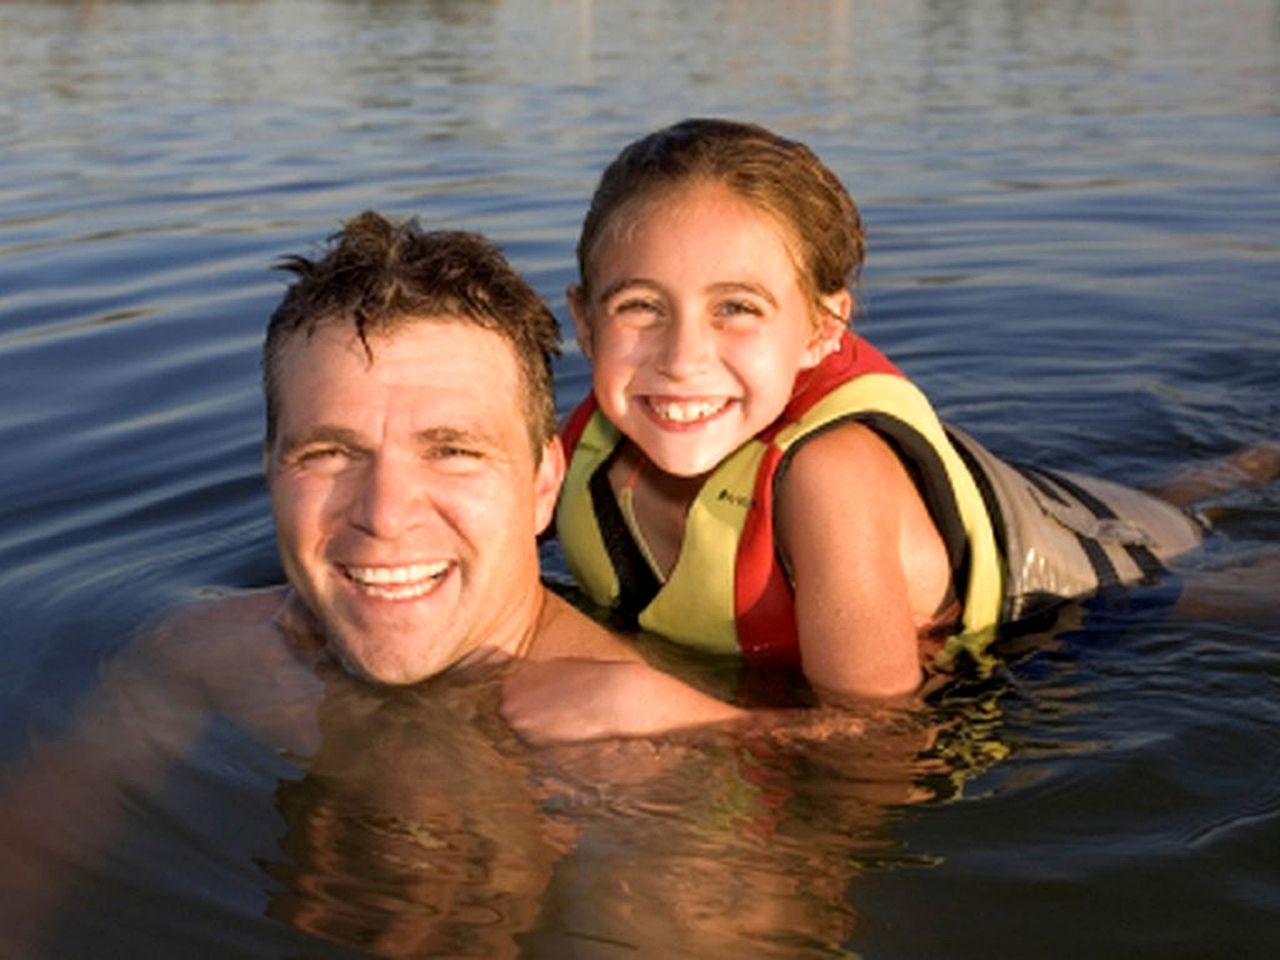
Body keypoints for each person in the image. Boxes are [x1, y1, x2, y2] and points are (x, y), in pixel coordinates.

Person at [0, 212, 750, 956]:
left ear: (543, 483)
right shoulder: (203, 658)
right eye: (328, 453)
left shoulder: (644, 747)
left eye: (453, 450)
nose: (385, 516)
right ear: (270, 469)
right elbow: (28, 858)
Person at [548, 117, 1271, 716]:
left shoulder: (832, 475)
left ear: (823, 330)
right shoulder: (574, 448)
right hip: (1023, 499)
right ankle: (1240, 468)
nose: (681, 358)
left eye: (735, 308)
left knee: (1206, 574)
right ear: (584, 322)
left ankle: (1249, 467)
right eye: (640, 306)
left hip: (1087, 600)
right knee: (1164, 497)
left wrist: (647, 705)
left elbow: (878, 739)